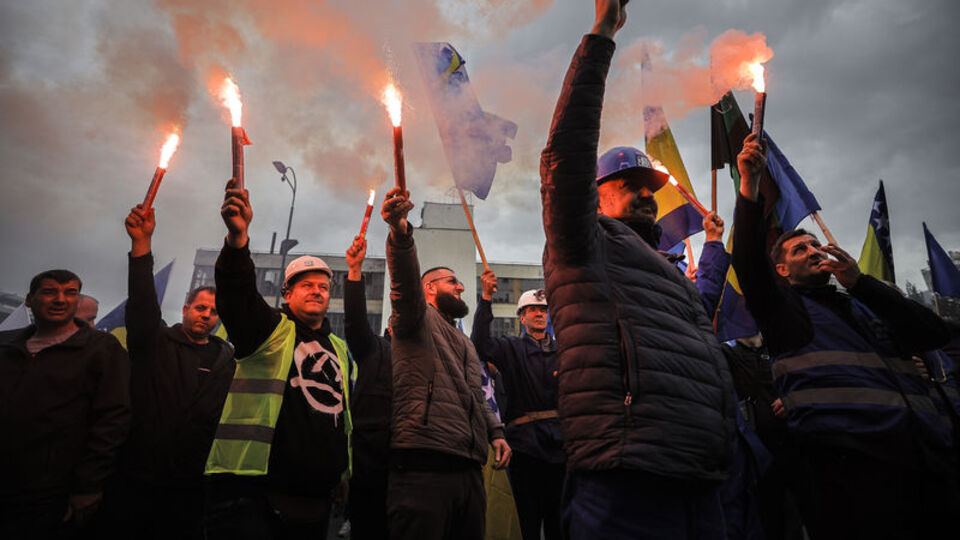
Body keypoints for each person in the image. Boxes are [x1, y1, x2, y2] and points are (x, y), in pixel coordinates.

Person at [539, 2, 736, 538]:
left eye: (650, 188)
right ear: (594, 196)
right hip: (627, 467)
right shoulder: (586, 245)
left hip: (700, 470)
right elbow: (564, 158)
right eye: (628, 185)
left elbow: (701, 311)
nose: (646, 195)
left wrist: (714, 246)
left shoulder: (666, 266)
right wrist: (601, 36)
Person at [733, 131, 959, 539]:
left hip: (927, 457)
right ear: (781, 271)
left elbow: (932, 333)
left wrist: (861, 284)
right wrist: (750, 184)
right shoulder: (784, 313)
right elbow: (748, 260)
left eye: (816, 245)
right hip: (851, 470)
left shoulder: (865, 302)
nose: (814, 251)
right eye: (800, 250)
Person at [203, 178, 355, 539]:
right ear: (287, 293)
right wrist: (238, 240)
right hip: (253, 496)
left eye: (323, 287)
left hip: (316, 501)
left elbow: (342, 418)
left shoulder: (339, 349)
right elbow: (237, 294)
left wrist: (343, 473)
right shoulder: (269, 329)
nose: (317, 291)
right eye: (307, 285)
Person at [98, 205, 236, 539]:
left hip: (190, 485)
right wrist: (141, 246)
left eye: (213, 311)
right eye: (200, 307)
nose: (206, 315)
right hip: (137, 477)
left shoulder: (226, 360)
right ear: (186, 309)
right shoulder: (155, 343)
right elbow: (142, 304)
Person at [381, 186, 511, 540]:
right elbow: (403, 285)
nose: (461, 288)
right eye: (452, 281)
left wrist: (495, 432)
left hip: (468, 466)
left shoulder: (464, 342)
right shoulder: (416, 319)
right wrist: (400, 235)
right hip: (424, 464)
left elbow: (475, 394)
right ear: (428, 288)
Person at [0, 269, 130, 539]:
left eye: (70, 293)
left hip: (51, 492)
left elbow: (112, 420)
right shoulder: (6, 346)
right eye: (49, 291)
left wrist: (88, 485)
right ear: (29, 299)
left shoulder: (101, 350)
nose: (60, 299)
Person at [471, 273, 564, 540]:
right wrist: (486, 298)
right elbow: (480, 343)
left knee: (559, 523)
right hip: (526, 448)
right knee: (527, 522)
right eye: (532, 310)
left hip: (561, 448)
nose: (539, 314)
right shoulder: (511, 348)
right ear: (522, 317)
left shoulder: (564, 351)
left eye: (543, 310)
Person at [343, 234, 393, 540]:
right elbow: (355, 322)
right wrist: (354, 271)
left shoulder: (425, 355)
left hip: (410, 460)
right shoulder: (373, 347)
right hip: (371, 456)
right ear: (389, 326)